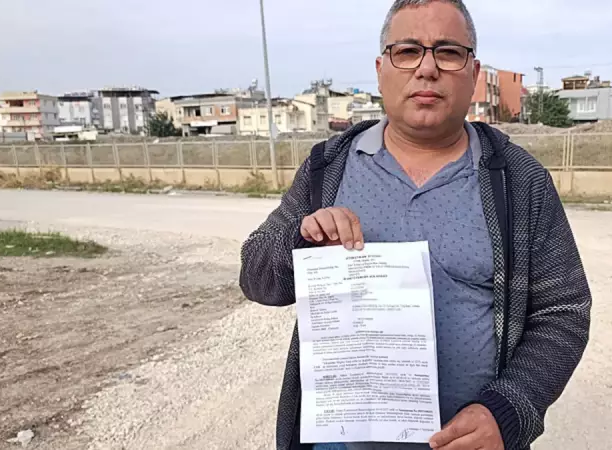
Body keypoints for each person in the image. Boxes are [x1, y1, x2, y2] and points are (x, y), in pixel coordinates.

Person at [239, 0, 592, 449]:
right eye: (407, 51)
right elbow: (255, 276)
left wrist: (508, 409)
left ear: (473, 73)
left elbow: (563, 311)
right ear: (381, 70)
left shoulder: (521, 181)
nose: (427, 69)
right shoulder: (327, 169)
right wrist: (301, 244)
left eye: (448, 52)